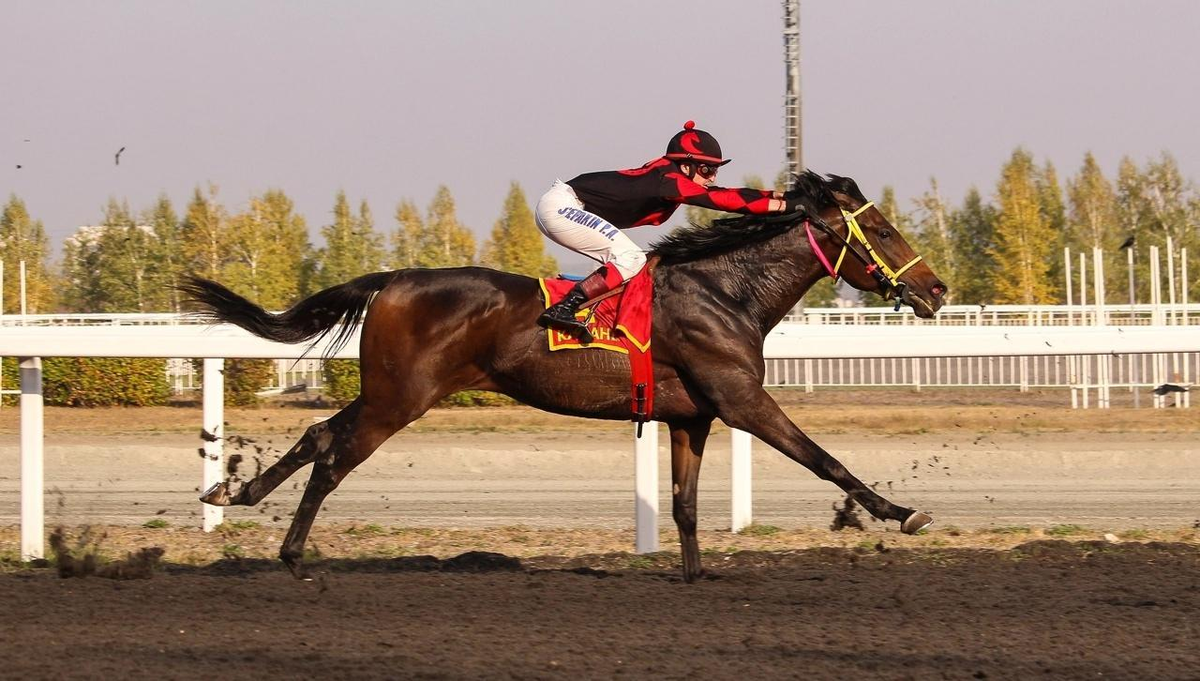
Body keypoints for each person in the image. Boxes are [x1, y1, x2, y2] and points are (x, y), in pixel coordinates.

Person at [534, 120, 801, 339]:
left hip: (566, 206)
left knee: (631, 261)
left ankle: (581, 303)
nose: (712, 177)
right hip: (563, 206)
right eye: (707, 169)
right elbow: (721, 200)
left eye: (715, 169)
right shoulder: (669, 180)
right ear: (686, 165)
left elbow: (725, 192)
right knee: (632, 258)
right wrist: (786, 206)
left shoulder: (670, 175)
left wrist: (783, 196)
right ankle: (564, 308)